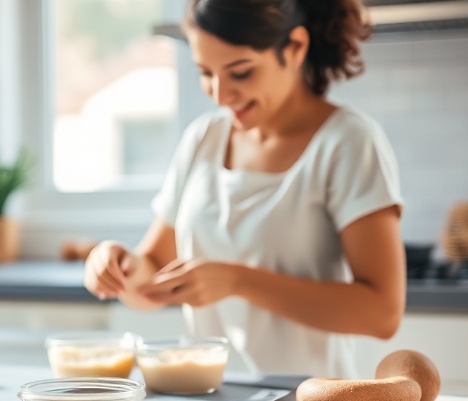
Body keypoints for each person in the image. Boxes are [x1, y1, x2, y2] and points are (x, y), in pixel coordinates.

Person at [83, 0, 405, 378]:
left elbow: (382, 313)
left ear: (296, 48)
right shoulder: (204, 139)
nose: (220, 94)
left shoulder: (347, 142)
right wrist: (117, 267)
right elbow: (151, 279)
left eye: (241, 72)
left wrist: (238, 281)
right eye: (205, 73)